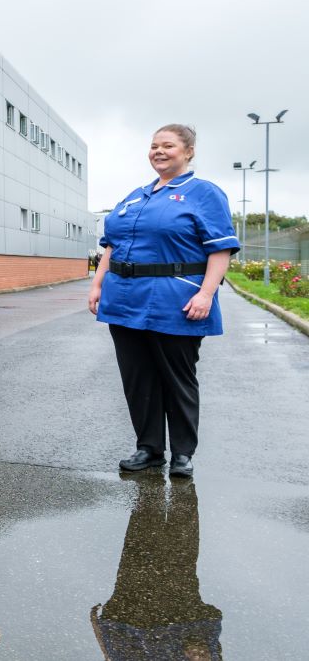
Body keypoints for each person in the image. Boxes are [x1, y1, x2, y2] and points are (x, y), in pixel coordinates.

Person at [89, 124, 238, 477]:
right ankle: (149, 448)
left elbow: (221, 250)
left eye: (167, 145)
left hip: (176, 300)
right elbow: (110, 246)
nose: (158, 151)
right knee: (137, 377)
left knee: (177, 378)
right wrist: (97, 285)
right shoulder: (134, 196)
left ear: (188, 152)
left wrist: (206, 293)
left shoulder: (203, 193)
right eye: (154, 145)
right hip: (124, 300)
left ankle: (183, 453)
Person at [91, 477, 222, 660]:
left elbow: (208, 625)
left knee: (153, 531)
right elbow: (208, 628)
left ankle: (165, 479)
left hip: (148, 602)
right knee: (159, 531)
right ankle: (170, 478)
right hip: (159, 601)